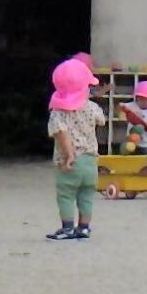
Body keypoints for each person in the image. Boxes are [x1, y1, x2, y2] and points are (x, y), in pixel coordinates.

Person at [44, 55, 103, 242]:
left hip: (71, 161)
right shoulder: (92, 108)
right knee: (86, 195)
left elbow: (61, 133)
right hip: (91, 159)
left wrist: (69, 154)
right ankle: (84, 228)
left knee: (66, 195)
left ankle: (67, 228)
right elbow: (101, 120)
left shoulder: (58, 112)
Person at [120, 79, 147, 153]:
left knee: (145, 162)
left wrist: (140, 123)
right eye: (141, 99)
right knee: (126, 159)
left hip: (144, 145)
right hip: (129, 142)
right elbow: (120, 108)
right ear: (136, 98)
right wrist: (124, 114)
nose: (144, 102)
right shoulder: (133, 105)